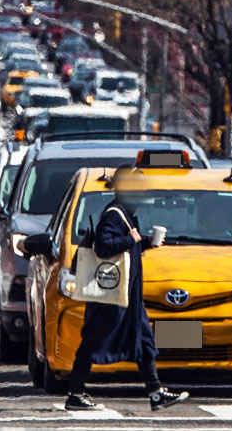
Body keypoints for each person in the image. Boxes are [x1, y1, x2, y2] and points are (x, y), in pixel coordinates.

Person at [64, 166, 189, 412]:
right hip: (112, 297)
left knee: (144, 341)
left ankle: (155, 393)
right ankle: (75, 394)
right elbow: (103, 247)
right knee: (93, 341)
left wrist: (144, 245)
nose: (144, 192)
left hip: (128, 296)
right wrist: (131, 240)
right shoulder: (114, 214)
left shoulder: (125, 214)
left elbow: (123, 252)